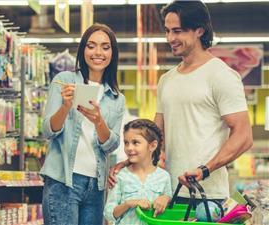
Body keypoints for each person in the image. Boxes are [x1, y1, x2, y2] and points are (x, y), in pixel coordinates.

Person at [109, 0, 253, 205]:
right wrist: (132, 161)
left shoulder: (221, 75)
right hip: (168, 192)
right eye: (167, 31)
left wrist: (205, 170)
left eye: (177, 31)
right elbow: (155, 134)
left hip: (207, 195)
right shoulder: (167, 80)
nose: (170, 38)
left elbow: (244, 136)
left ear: (199, 30)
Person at [41, 23, 126, 225]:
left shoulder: (116, 98)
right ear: (83, 50)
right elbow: (48, 131)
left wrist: (98, 121)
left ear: (112, 53)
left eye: (105, 47)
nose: (98, 52)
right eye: (91, 46)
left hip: (96, 185)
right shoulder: (64, 80)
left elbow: (112, 145)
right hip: (63, 180)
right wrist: (65, 106)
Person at [104, 119, 172, 225]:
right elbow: (109, 213)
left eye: (135, 143)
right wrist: (130, 203)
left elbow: (169, 204)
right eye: (126, 143)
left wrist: (166, 198)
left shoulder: (164, 177)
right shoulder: (120, 176)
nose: (129, 148)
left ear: (153, 146)